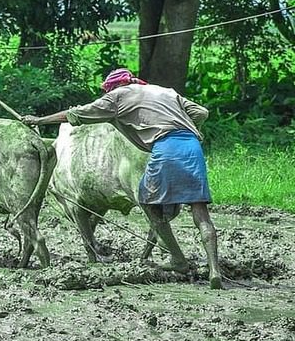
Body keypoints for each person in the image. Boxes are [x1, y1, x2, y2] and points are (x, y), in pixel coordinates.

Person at [21, 68, 223, 289]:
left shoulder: (117, 97)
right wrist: (188, 130)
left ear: (114, 87)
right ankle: (215, 270)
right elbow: (201, 112)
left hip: (164, 148)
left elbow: (75, 115)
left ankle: (178, 259)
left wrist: (39, 120)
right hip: (192, 147)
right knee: (200, 211)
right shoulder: (164, 91)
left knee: (147, 202)